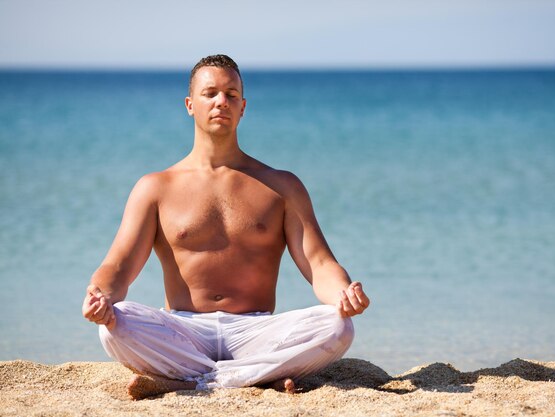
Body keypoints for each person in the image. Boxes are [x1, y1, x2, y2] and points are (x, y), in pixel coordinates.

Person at [81, 54, 370, 400]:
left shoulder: (281, 186)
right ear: (190, 104)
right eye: (210, 93)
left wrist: (342, 294)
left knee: (338, 326)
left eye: (231, 95)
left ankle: (190, 379)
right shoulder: (155, 187)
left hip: (257, 330)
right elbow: (119, 265)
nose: (222, 101)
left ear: (243, 107)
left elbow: (319, 263)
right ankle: (254, 377)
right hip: (183, 329)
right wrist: (100, 296)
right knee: (116, 325)